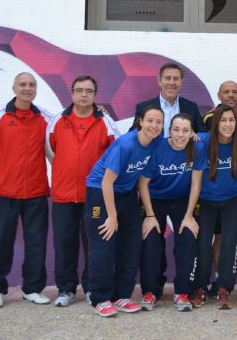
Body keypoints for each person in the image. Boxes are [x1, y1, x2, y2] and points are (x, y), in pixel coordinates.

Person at [0, 72, 53, 308]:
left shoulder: (46, 118)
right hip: (4, 193)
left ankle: (32, 289)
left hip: (37, 193)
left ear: (36, 90)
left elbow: (57, 152)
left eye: (31, 85)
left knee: (36, 243)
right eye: (23, 84)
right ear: (14, 87)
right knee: (0, 242)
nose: (27, 88)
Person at [46, 75, 120, 307]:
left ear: (95, 95)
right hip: (64, 195)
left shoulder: (106, 123)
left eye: (89, 91)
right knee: (64, 243)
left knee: (94, 244)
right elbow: (51, 151)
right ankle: (66, 290)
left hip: (95, 197)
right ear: (72, 93)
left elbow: (115, 157)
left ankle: (91, 287)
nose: (84, 95)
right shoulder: (57, 120)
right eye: (79, 90)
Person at [85, 105, 163, 317]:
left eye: (158, 122)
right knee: (104, 242)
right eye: (150, 121)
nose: (154, 126)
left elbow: (143, 182)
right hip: (100, 193)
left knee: (132, 243)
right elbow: (106, 182)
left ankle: (121, 295)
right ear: (140, 121)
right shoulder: (126, 145)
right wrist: (111, 216)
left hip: (127, 194)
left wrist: (149, 214)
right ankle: (99, 298)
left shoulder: (154, 145)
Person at [138, 113, 205, 312]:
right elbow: (143, 183)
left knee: (187, 237)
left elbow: (196, 184)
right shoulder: (158, 147)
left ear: (192, 132)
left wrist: (189, 215)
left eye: (185, 130)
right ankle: (151, 291)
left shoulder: (198, 148)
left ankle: (182, 292)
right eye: (176, 130)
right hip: (155, 198)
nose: (180, 135)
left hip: (182, 200)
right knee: (150, 239)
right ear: (169, 131)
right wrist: (150, 216)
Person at [202, 80, 237, 297]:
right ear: (218, 94)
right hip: (211, 194)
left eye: (234, 91)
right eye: (226, 91)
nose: (230, 95)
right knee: (215, 239)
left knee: (235, 240)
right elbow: (200, 144)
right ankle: (212, 283)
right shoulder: (207, 119)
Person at [191, 105, 237, 310]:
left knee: (227, 244)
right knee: (203, 245)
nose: (227, 124)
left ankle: (224, 289)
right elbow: (189, 138)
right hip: (206, 201)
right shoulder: (203, 142)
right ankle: (200, 287)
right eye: (223, 120)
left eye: (231, 120)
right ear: (216, 122)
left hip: (233, 199)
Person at [131, 63, 203, 135]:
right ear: (159, 81)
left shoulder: (192, 107)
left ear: (181, 83)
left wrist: (194, 135)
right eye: (167, 78)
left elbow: (204, 134)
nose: (171, 83)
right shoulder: (144, 108)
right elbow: (132, 135)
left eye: (176, 79)